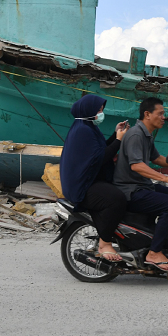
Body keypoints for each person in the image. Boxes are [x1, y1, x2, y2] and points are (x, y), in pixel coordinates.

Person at [113, 97, 168, 272]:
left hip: (142, 186)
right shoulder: (135, 135)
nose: (164, 117)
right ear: (147, 114)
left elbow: (157, 159)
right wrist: (165, 178)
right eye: (160, 114)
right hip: (130, 190)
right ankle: (154, 253)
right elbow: (136, 165)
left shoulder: (146, 134)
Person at [59, 95, 129, 262]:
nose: (100, 113)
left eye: (101, 110)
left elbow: (100, 149)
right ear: (88, 110)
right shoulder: (83, 130)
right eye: (98, 110)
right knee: (116, 199)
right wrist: (118, 141)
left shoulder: (87, 127)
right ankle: (104, 243)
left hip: (89, 180)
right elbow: (100, 158)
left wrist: (114, 135)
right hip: (83, 186)